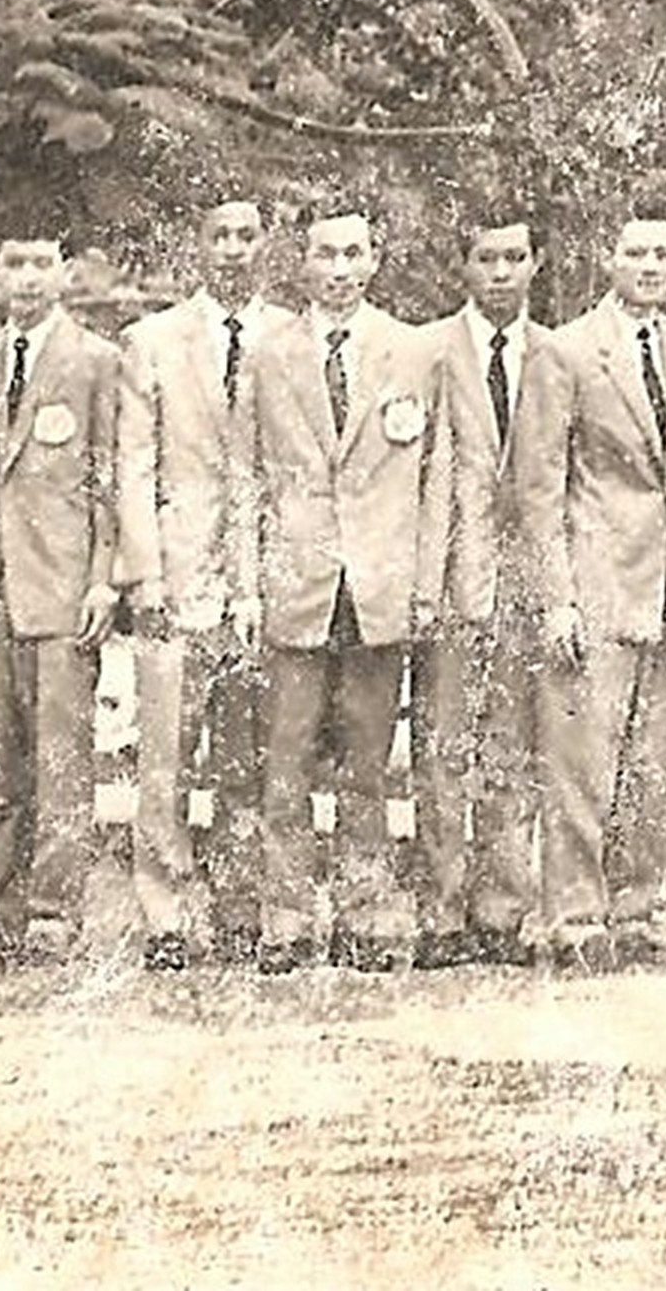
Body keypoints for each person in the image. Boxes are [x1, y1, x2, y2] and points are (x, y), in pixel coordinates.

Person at [235, 202, 451, 972]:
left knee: (368, 766)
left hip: (379, 588)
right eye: (325, 254)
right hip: (297, 583)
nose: (339, 270)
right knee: (286, 762)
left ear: (374, 260)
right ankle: (286, 921)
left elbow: (437, 476)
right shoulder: (267, 353)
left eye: (353, 253)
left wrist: (424, 584)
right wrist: (247, 584)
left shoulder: (413, 351)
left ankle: (365, 916)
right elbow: (244, 476)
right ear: (301, 263)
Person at [513, 211, 666, 970]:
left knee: (650, 763)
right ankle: (575, 916)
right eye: (636, 252)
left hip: (662, 586)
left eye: (663, 253)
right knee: (581, 761)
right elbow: (538, 486)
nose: (650, 265)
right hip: (593, 580)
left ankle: (637, 907)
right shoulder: (566, 350)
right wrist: (557, 596)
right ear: (609, 259)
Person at [113, 195, 291, 968]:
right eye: (219, 235)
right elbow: (132, 466)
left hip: (262, 583)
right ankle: (166, 917)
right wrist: (145, 576)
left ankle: (241, 909)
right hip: (177, 578)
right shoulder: (151, 340)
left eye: (247, 236)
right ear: (198, 243)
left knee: (247, 757)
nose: (233, 249)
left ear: (266, 245)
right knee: (166, 759)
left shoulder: (291, 335)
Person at [0, 230, 121, 964]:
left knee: (61, 762)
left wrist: (103, 578)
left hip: (62, 593)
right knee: (0, 763)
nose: (28, 278)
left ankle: (54, 914)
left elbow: (109, 480)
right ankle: (2, 910)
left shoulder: (97, 361)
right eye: (14, 263)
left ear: (66, 272)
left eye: (43, 263)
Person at [410, 207, 556, 968]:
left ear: (535, 265)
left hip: (525, 587)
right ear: (463, 266)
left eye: (514, 258)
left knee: (510, 749)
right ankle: (439, 913)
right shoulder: (427, 351)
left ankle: (502, 911)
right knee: (442, 750)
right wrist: (424, 584)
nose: (501, 273)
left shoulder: (556, 356)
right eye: (486, 259)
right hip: (449, 582)